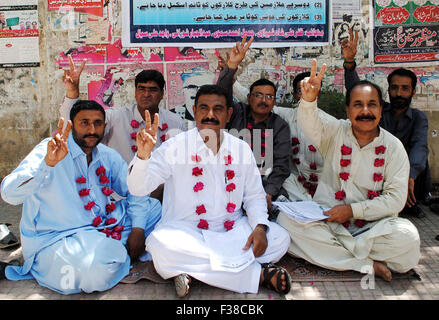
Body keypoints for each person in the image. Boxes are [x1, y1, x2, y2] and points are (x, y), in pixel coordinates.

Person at [127, 84, 291, 297]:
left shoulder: (241, 148)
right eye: (204, 108)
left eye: (218, 109)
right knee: (160, 245)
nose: (210, 115)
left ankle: (191, 272)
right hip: (187, 232)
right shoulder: (175, 146)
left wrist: (259, 227)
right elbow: (138, 188)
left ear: (229, 114)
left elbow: (254, 196)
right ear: (194, 112)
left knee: (280, 239)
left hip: (231, 231)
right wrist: (143, 157)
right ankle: (257, 276)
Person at [277, 60, 421, 282]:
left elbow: (395, 200)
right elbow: (310, 125)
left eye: (372, 104)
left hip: (373, 227)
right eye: (358, 105)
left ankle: (334, 254)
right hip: (328, 220)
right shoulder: (335, 131)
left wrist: (353, 211)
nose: (365, 111)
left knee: (408, 239)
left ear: (381, 110)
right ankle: (365, 264)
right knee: (286, 225)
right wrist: (308, 100)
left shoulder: (394, 148)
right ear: (348, 110)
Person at [0, 100, 162, 294]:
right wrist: (47, 165)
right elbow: (9, 194)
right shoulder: (49, 149)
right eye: (84, 122)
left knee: (155, 208)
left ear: (105, 126)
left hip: (102, 227)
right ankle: (124, 256)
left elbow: (135, 190)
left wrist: (137, 229)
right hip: (57, 238)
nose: (92, 129)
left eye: (98, 123)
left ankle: (117, 251)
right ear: (71, 125)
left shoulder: (107, 155)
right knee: (93, 273)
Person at [342, 28, 431, 218]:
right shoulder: (379, 111)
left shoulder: (418, 117)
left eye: (405, 89)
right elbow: (356, 89)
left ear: (413, 92)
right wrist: (349, 64)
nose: (399, 93)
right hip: (380, 168)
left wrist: (410, 175)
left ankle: (410, 202)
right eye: (395, 88)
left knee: (420, 161)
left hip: (408, 175)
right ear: (388, 90)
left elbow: (420, 147)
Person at [60, 56, 186, 164]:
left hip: (161, 190)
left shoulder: (175, 122)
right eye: (142, 89)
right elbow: (74, 126)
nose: (146, 94)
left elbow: (182, 160)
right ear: (135, 92)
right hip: (119, 190)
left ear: (162, 94)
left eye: (152, 90)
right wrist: (72, 92)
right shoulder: (114, 118)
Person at [216, 36, 291, 212]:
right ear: (249, 98)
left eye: (269, 97)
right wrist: (232, 66)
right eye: (258, 95)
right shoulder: (235, 113)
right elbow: (221, 96)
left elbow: (281, 167)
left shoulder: (280, 126)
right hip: (228, 181)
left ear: (274, 102)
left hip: (262, 185)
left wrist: (267, 193)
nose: (264, 100)